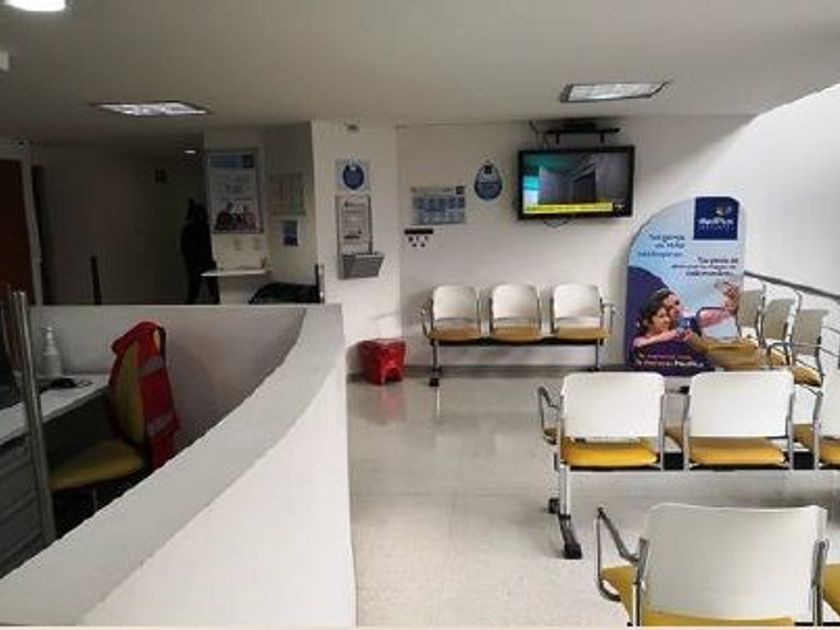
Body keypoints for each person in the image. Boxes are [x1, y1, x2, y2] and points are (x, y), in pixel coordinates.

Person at [180, 199, 219, 304]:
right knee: (210, 287)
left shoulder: (189, 230)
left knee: (195, 288)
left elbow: (185, 249)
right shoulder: (205, 228)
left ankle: (191, 306)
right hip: (205, 261)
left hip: (197, 263)